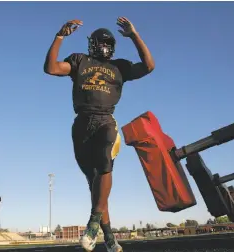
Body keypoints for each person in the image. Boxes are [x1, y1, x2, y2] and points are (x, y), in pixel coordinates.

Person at [43, 17, 155, 252]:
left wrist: (134, 35)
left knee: (105, 161)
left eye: (108, 42)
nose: (104, 45)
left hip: (106, 120)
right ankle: (109, 236)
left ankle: (93, 224)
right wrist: (59, 36)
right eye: (100, 42)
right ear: (92, 44)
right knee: (96, 186)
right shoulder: (79, 60)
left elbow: (149, 65)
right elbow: (51, 68)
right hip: (81, 125)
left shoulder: (121, 66)